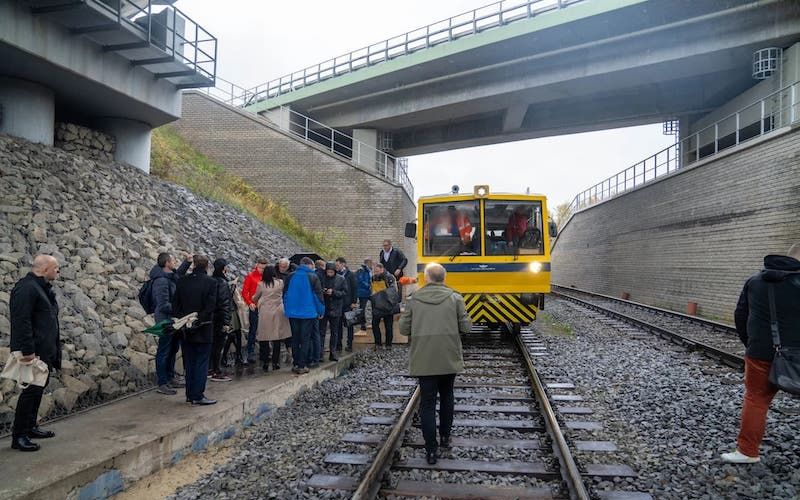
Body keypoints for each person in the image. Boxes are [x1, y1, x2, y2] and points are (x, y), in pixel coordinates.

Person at [722, 244, 800, 464]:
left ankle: (747, 452)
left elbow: (741, 315)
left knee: (756, 400)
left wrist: (752, 344)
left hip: (760, 353)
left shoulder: (755, 281)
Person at [399, 262, 471, 465]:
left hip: (424, 357)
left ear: (427, 278)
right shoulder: (455, 298)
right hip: (448, 356)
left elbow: (404, 329)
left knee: (428, 403)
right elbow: (466, 327)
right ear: (444, 278)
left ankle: (431, 450)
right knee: (448, 396)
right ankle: (446, 438)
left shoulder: (414, 300)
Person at [9, 255, 61, 452]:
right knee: (30, 391)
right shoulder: (27, 288)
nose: (58, 271)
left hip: (44, 350)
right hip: (33, 352)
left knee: (38, 389)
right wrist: (28, 351)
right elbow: (21, 320)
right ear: (45, 268)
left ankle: (30, 427)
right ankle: (19, 435)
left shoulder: (40, 288)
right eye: (56, 268)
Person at [173, 255, 218, 405]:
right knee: (201, 362)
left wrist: (185, 319)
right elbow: (211, 306)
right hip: (203, 327)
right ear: (206, 266)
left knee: (189, 361)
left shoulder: (182, 281)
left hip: (185, 327)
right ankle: (198, 395)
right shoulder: (211, 282)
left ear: (193, 265)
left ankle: (189, 394)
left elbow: (175, 305)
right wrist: (198, 318)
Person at [151, 252, 190, 395]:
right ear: (167, 263)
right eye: (173, 260)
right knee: (164, 350)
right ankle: (162, 382)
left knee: (173, 349)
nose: (175, 263)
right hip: (165, 320)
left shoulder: (169, 275)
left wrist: (187, 262)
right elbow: (162, 304)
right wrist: (179, 309)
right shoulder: (161, 281)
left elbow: (178, 274)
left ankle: (170, 377)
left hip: (174, 319)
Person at [283, 257, 324, 374]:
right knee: (305, 339)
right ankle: (302, 365)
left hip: (292, 313)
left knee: (295, 338)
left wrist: (287, 309)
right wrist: (321, 311)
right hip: (308, 313)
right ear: (309, 265)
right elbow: (318, 297)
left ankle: (296, 363)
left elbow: (285, 294)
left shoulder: (290, 276)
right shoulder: (313, 277)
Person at [253, 266, 291, 371]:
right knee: (277, 337)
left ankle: (265, 361)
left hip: (265, 312)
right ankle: (275, 362)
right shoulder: (280, 283)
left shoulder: (261, 284)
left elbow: (255, 297)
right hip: (278, 311)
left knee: (264, 337)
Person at [209, 258, 233, 382]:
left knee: (211, 344)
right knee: (218, 346)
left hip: (211, 318)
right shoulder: (222, 283)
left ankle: (210, 369)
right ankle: (216, 370)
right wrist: (226, 322)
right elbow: (224, 304)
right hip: (219, 318)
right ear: (224, 268)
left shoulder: (211, 280)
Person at [242, 258, 269, 364]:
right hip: (255, 307)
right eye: (260, 268)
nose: (262, 270)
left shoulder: (267, 277)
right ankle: (250, 352)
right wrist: (250, 303)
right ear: (257, 266)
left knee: (265, 329)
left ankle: (265, 351)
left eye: (264, 268)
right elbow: (245, 292)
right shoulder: (251, 276)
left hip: (265, 307)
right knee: (253, 330)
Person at [320, 262, 347, 361]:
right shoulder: (322, 278)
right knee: (321, 331)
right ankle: (320, 353)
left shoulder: (341, 279)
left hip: (336, 308)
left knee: (334, 331)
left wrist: (334, 292)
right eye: (328, 272)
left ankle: (333, 352)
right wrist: (324, 291)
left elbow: (344, 292)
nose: (330, 274)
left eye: (331, 272)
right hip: (324, 307)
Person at [370, 262, 399, 349]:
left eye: (377, 271)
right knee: (374, 324)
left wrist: (382, 296)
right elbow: (372, 289)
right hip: (377, 304)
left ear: (382, 269)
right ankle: (378, 343)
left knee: (388, 325)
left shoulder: (389, 277)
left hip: (387, 304)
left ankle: (388, 344)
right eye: (374, 271)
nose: (376, 273)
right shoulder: (373, 278)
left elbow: (393, 291)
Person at [275, 258, 295, 365]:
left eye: (284, 267)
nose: (282, 269)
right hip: (277, 304)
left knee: (288, 328)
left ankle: (289, 347)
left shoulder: (291, 274)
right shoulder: (274, 273)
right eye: (280, 266)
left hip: (287, 304)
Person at [336, 257, 358, 352]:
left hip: (348, 303)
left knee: (349, 324)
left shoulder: (350, 274)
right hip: (338, 303)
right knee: (338, 325)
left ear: (343, 264)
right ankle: (338, 344)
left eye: (338, 265)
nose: (336, 267)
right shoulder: (336, 274)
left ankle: (349, 343)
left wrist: (354, 302)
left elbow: (354, 288)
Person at [355, 259, 373, 332]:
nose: (372, 264)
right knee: (362, 308)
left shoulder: (368, 270)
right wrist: (368, 286)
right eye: (371, 263)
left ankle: (366, 323)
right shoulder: (361, 270)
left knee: (368, 306)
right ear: (367, 263)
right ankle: (362, 324)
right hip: (363, 292)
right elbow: (360, 280)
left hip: (368, 292)